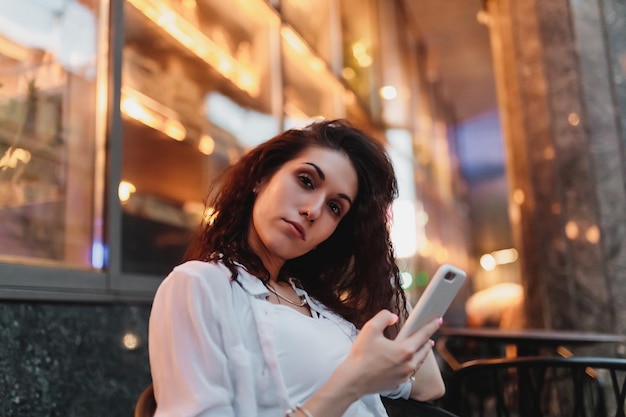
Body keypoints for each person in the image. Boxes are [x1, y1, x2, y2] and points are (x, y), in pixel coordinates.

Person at [148, 119, 446, 417]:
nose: (313, 210)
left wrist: (376, 267)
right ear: (262, 177)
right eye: (306, 181)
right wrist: (351, 384)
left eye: (334, 208)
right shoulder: (200, 284)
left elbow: (429, 386)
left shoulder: (324, 311)